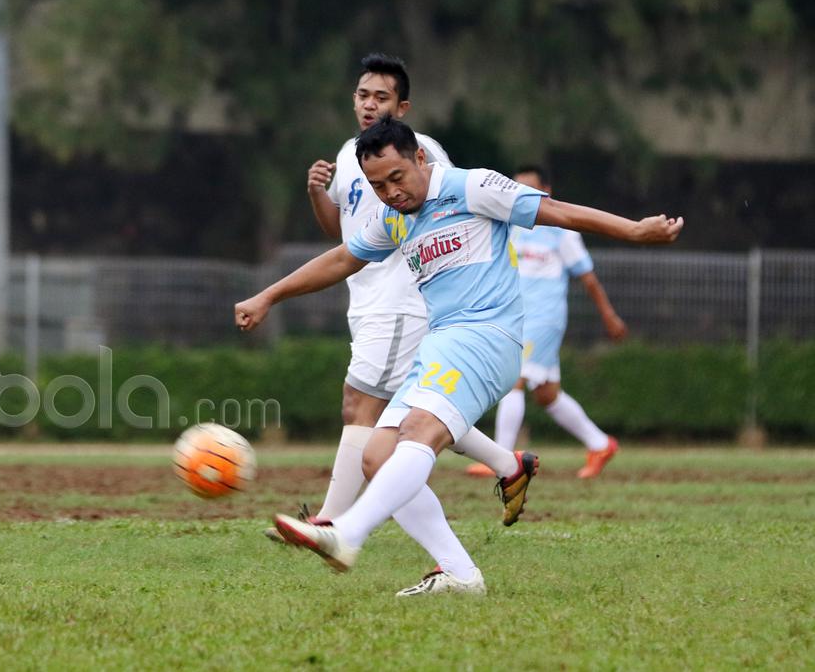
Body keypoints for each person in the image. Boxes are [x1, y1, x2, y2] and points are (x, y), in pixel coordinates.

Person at [236, 117, 682, 596]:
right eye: (377, 185)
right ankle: (461, 573)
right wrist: (269, 296)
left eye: (397, 178)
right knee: (377, 457)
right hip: (442, 343)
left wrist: (634, 230)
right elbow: (343, 258)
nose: (390, 192)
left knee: (420, 433)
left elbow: (561, 213)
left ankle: (346, 534)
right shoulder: (392, 216)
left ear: (420, 159)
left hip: (489, 336)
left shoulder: (473, 186)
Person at [265, 54, 537, 550]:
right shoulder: (352, 155)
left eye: (382, 97)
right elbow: (342, 238)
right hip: (366, 298)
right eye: (363, 95)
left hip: (403, 297)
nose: (370, 105)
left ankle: (330, 522)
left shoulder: (421, 151)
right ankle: (508, 464)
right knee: (413, 414)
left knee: (361, 406)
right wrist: (316, 197)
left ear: (403, 106)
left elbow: (456, 210)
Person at [467, 165, 626, 479]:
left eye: (528, 188)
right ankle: (600, 443)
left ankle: (500, 459)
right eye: (515, 188)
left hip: (544, 318)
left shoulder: (560, 229)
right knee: (547, 394)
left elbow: (588, 278)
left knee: (514, 379)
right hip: (515, 316)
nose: (519, 195)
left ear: (546, 193)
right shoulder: (508, 225)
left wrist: (609, 315)